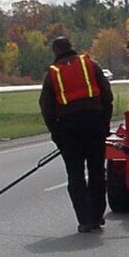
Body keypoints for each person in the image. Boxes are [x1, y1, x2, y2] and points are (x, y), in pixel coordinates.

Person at [39, 36, 113, 233]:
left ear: (55, 51)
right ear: (71, 47)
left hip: (68, 128)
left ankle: (85, 220)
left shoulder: (52, 74)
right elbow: (107, 95)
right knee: (97, 171)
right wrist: (104, 124)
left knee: (75, 174)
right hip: (94, 123)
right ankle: (97, 217)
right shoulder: (90, 64)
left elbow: (46, 108)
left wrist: (56, 135)